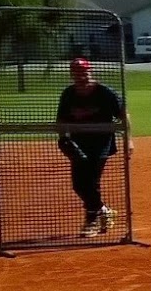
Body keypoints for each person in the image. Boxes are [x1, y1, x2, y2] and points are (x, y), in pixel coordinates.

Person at [55, 57, 132, 238]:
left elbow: (123, 115)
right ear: (72, 75)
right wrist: (63, 138)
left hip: (101, 143)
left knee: (91, 181)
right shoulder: (68, 94)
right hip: (78, 143)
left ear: (90, 71)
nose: (81, 76)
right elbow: (61, 120)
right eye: (77, 73)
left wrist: (129, 140)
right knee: (78, 185)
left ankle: (91, 221)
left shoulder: (105, 92)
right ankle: (104, 210)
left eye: (84, 72)